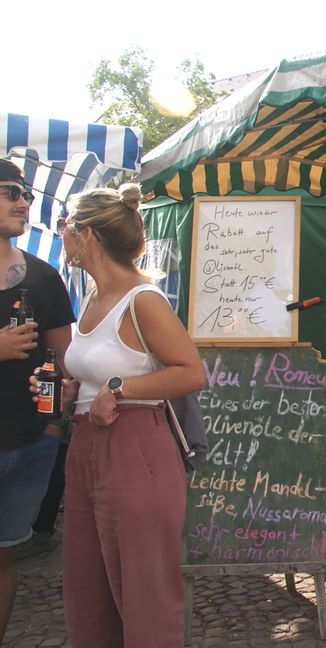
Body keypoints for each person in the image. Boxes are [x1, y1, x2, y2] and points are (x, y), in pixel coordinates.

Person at [48, 183, 205, 648]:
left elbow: (190, 372)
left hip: (137, 449)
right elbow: (102, 364)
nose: (61, 236)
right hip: (86, 450)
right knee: (87, 588)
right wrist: (77, 389)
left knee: (146, 597)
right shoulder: (92, 298)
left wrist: (119, 389)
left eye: (65, 228)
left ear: (87, 235)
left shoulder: (143, 299)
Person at [0, 158, 75, 643]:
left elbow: (62, 360)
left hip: (29, 444)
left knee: (4, 555)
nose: (23, 202)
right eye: (10, 192)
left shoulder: (44, 278)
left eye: (24, 193)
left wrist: (54, 425)